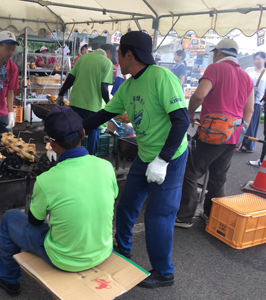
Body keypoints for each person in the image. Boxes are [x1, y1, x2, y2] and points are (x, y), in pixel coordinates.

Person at [84, 31, 190, 288]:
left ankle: (165, 273)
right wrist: (71, 129)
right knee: (126, 204)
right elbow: (102, 115)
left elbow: (182, 120)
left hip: (170, 157)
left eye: (119, 54)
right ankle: (124, 248)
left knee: (157, 216)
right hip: (145, 155)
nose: (117, 59)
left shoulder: (162, 78)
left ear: (129, 54)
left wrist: (163, 160)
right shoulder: (129, 86)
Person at [0, 106, 118, 296]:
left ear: (52, 143)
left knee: (10, 218)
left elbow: (35, 221)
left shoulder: (47, 180)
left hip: (64, 259)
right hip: (102, 251)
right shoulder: (106, 166)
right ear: (83, 133)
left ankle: (9, 280)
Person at [176, 39, 254, 227]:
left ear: (219, 52)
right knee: (218, 175)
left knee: (190, 171)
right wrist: (239, 132)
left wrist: (190, 111)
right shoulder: (246, 77)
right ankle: (212, 215)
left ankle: (185, 216)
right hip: (232, 135)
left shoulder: (215, 69)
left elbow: (200, 94)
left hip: (212, 133)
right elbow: (249, 110)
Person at [57, 49, 113, 155]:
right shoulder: (106, 62)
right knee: (93, 133)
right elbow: (104, 88)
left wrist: (61, 94)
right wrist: (110, 104)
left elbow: (70, 78)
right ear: (105, 55)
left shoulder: (82, 58)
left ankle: (73, 155)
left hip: (75, 103)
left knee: (75, 132)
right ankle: (91, 158)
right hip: (92, 106)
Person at [243, 52, 266, 156]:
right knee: (244, 121)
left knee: (254, 124)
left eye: (258, 59)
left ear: (264, 59)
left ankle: (250, 145)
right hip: (245, 99)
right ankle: (240, 142)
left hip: (258, 101)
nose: (256, 61)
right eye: (255, 59)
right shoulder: (248, 70)